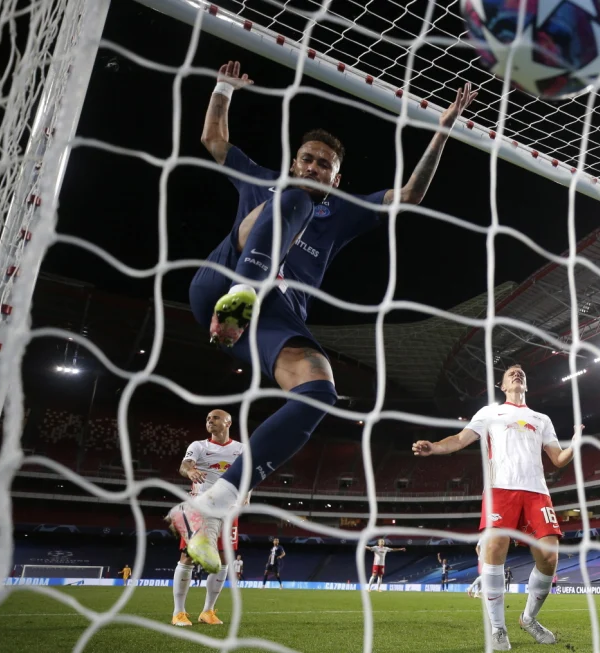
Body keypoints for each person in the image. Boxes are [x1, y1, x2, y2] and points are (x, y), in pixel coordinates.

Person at [167, 60, 476, 575]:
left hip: (276, 312)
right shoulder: (269, 181)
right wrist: (222, 88)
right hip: (222, 283)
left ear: (337, 178)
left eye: (324, 166)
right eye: (307, 160)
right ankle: (241, 296)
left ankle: (212, 507)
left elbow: (411, 196)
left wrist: (441, 133)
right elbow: (213, 140)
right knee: (289, 201)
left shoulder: (344, 210)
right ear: (295, 160)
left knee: (320, 391)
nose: (313, 168)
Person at [412, 364, 580, 650]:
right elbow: (460, 439)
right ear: (503, 386)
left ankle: (528, 619)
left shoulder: (541, 419)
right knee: (495, 550)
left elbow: (558, 459)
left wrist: (575, 443)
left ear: (526, 385)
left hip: (537, 492)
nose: (517, 374)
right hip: (500, 489)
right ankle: (499, 629)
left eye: (522, 373)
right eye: (511, 373)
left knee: (549, 558)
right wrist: (435, 447)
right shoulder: (490, 413)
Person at [171, 409, 244, 627]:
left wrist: (246, 495)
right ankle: (178, 612)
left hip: (228, 510)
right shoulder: (199, 446)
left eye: (215, 418)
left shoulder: (241, 449)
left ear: (228, 422)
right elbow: (185, 465)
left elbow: (249, 473)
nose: (210, 421)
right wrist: (190, 472)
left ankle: (208, 611)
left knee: (223, 560)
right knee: (189, 556)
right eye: (207, 419)